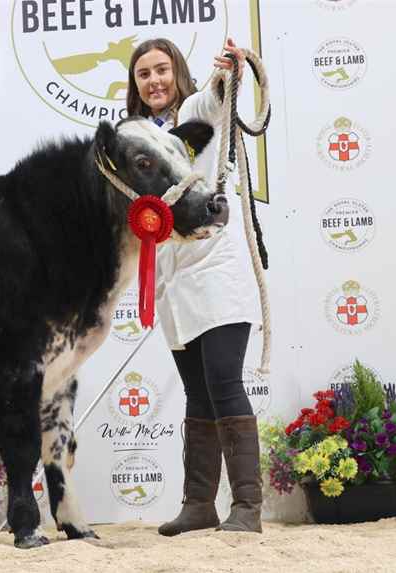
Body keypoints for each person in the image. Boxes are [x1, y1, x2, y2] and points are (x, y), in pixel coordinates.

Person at [126, 38, 263, 535]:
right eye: (144, 74)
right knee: (196, 394)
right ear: (135, 84)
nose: (155, 81)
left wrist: (229, 72)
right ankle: (199, 505)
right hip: (172, 282)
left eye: (162, 70)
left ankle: (247, 507)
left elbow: (215, 95)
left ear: (176, 72)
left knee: (224, 384)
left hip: (216, 272)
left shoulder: (194, 113)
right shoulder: (136, 138)